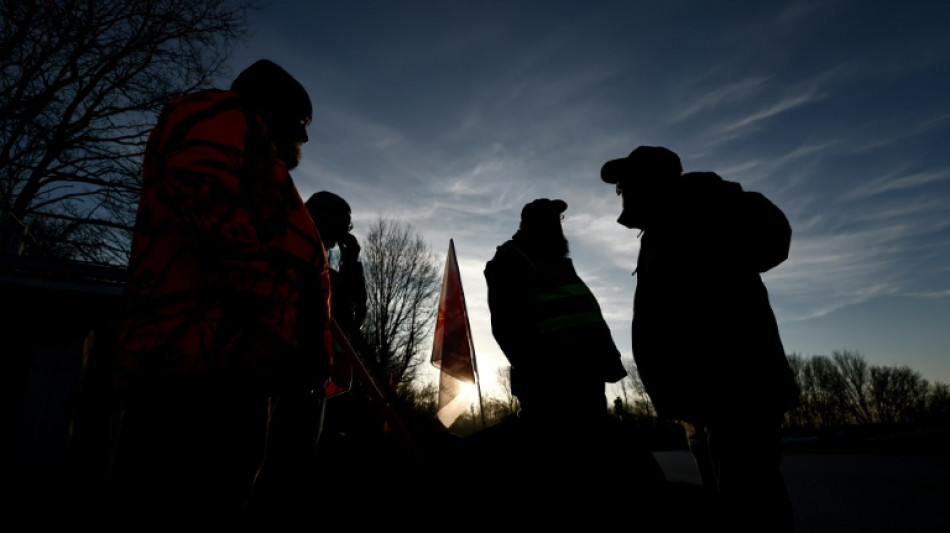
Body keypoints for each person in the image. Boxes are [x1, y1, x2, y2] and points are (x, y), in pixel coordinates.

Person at [109, 59, 331, 526]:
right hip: (195, 367)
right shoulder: (218, 115)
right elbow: (203, 193)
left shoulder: (253, 159)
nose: (307, 139)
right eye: (302, 123)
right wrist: (269, 302)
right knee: (181, 506)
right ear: (268, 106)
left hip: (231, 364)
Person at [600, 145, 801, 532]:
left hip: (737, 390)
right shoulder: (662, 228)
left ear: (651, 181)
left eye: (626, 181)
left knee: (750, 501)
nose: (621, 190)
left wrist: (711, 200)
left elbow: (772, 241)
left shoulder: (700, 210)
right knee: (728, 503)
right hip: (701, 398)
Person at [482, 198, 644, 514]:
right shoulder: (511, 260)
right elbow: (508, 328)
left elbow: (580, 312)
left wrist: (604, 362)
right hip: (552, 385)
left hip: (586, 378)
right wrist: (541, 372)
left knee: (589, 466)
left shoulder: (552, 260)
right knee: (557, 466)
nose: (557, 227)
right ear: (528, 225)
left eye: (559, 220)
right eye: (549, 221)